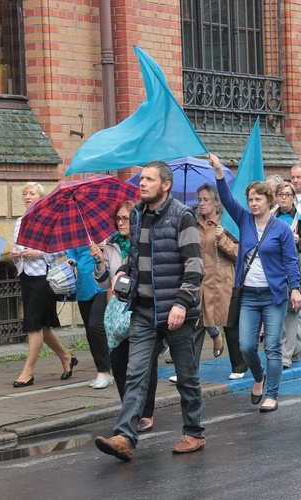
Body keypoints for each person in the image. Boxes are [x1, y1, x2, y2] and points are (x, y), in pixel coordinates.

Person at [94, 161, 206, 461]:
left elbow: (195, 267)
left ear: (165, 185)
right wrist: (121, 271)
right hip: (143, 311)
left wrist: (182, 304)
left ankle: (193, 432)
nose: (141, 183)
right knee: (135, 374)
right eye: (141, 178)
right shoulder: (138, 215)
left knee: (186, 376)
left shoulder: (182, 216)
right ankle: (125, 438)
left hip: (176, 312)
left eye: (149, 179)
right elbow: (137, 256)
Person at [210, 154, 301, 413]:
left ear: (268, 201)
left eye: (258, 199)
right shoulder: (244, 220)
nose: (252, 203)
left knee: (272, 345)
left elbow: (290, 261)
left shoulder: (281, 229)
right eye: (250, 199)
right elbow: (227, 199)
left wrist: (294, 288)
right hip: (248, 295)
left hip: (274, 296)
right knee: (247, 346)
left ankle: (272, 394)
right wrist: (219, 171)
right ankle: (258, 376)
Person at [91, 200, 159, 433]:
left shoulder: (146, 242)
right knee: (119, 361)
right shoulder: (109, 245)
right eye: (118, 218)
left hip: (141, 307)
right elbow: (103, 283)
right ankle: (128, 408)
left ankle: (146, 411)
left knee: (144, 363)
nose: (121, 223)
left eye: (126, 218)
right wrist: (99, 260)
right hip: (117, 311)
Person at [11, 182, 77, 388]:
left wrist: (39, 253)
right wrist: (15, 254)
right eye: (25, 193)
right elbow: (17, 246)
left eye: (32, 193)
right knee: (44, 326)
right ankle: (66, 358)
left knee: (33, 324)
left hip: (43, 277)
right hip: (26, 275)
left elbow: (62, 249)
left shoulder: (51, 219)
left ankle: (28, 371)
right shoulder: (21, 220)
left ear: (41, 197)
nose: (28, 196)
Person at [193, 184, 247, 379]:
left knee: (230, 324)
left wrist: (222, 238)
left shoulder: (227, 223)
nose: (202, 203)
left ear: (217, 202)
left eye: (206, 199)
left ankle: (239, 366)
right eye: (199, 200)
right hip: (202, 280)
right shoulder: (194, 223)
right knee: (196, 324)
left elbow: (240, 255)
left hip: (224, 280)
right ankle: (189, 370)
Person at [272, 181, 301, 369]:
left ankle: (285, 355)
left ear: (294, 197)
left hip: (296, 270)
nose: (284, 198)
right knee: (278, 313)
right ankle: (299, 344)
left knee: (292, 312)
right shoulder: (271, 217)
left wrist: (299, 240)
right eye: (280, 194)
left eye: (288, 194)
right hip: (275, 270)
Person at [67, 245, 112, 389]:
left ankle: (104, 371)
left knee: (96, 326)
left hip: (103, 286)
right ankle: (105, 369)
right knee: (90, 332)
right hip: (84, 286)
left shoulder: (107, 229)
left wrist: (105, 247)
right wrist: (70, 263)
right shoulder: (76, 234)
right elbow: (72, 255)